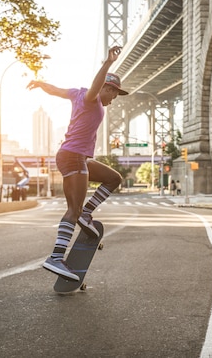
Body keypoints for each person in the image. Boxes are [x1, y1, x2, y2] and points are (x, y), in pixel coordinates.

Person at [27, 45, 128, 281]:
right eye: (113, 93)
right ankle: (55, 257)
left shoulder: (76, 93)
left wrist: (42, 84)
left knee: (114, 178)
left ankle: (86, 215)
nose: (114, 98)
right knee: (73, 209)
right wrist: (107, 63)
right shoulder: (90, 97)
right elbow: (95, 86)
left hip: (77, 156)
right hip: (72, 155)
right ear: (105, 87)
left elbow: (56, 90)